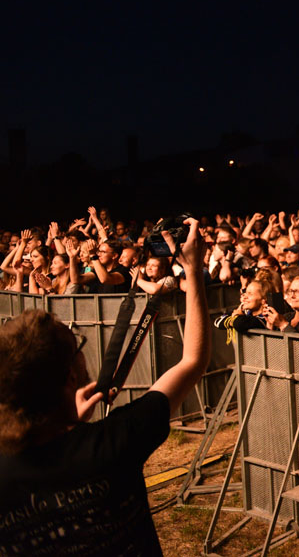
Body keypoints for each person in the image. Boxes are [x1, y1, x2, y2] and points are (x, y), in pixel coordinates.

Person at [0, 217, 211, 554]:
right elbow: (192, 361)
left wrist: (70, 420)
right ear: (70, 375)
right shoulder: (114, 443)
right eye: (77, 348)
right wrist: (194, 270)